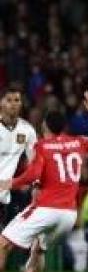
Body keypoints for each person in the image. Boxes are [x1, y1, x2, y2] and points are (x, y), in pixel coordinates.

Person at [0, 91, 88, 272]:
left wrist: (10, 183)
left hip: (46, 209)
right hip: (69, 215)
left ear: (45, 127)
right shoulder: (78, 142)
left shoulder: (43, 146)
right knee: (39, 250)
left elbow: (33, 175)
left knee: (3, 244)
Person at [0, 83, 37, 225]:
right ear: (1, 102)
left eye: (17, 100)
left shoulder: (27, 130)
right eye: (9, 100)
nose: (13, 104)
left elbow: (35, 162)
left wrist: (33, 185)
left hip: (4, 198)